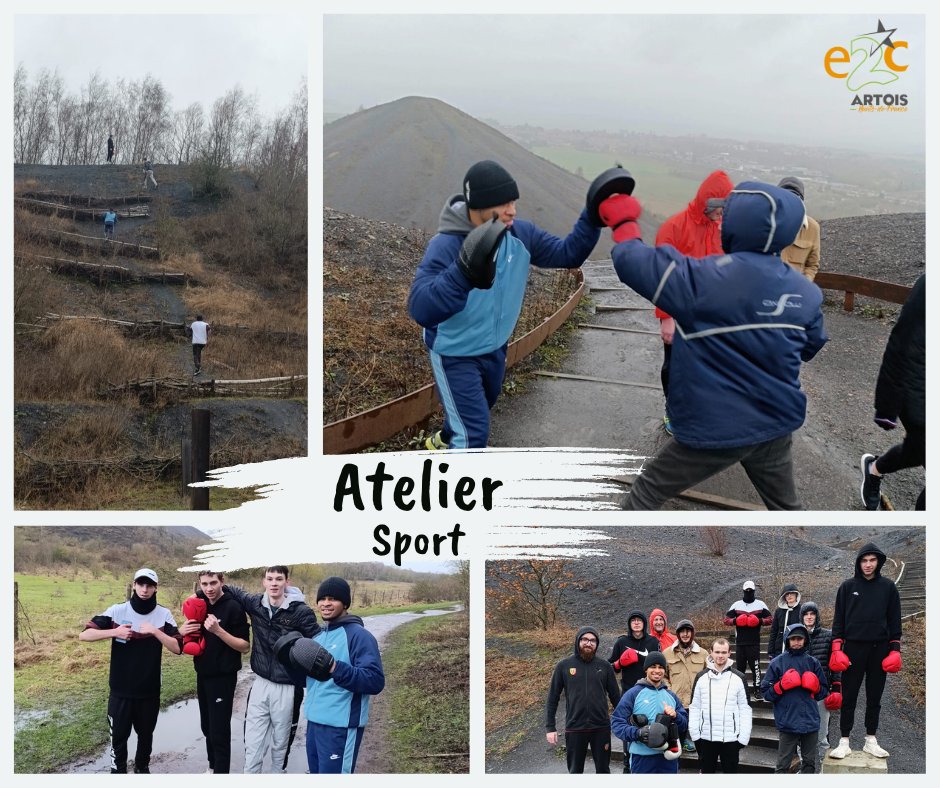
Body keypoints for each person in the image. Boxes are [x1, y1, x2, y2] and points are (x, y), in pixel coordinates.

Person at [598, 182, 828, 511]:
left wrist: (623, 222)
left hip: (715, 427)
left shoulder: (701, 279)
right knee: (786, 509)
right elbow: (811, 345)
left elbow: (630, 260)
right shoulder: (806, 294)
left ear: (734, 224)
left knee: (647, 492)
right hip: (774, 423)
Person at [408, 159, 600, 449]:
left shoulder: (520, 234)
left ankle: (445, 438)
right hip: (455, 353)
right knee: (473, 436)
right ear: (478, 205)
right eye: (503, 203)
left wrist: (593, 216)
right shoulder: (446, 245)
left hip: (496, 348)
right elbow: (420, 308)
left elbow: (567, 254)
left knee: (478, 408)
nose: (512, 210)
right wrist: (462, 274)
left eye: (513, 201)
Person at [653, 170, 734, 435]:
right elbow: (661, 275)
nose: (722, 215)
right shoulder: (674, 228)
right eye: (719, 208)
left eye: (725, 209)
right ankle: (673, 410)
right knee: (675, 367)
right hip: (679, 313)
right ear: (707, 203)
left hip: (711, 316)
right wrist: (665, 317)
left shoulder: (724, 230)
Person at [78, 568, 182, 774]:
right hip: (120, 692)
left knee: (145, 738)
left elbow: (178, 647)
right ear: (134, 585)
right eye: (141, 584)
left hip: (149, 692)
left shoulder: (164, 614)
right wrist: (114, 632)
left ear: (155, 588)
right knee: (118, 740)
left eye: (149, 585)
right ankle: (119, 773)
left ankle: (142, 770)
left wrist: (155, 631)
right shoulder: (117, 611)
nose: (144, 589)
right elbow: (85, 635)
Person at [222, 566, 320, 773]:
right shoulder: (256, 604)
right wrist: (201, 594)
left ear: (287, 582)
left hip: (288, 686)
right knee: (253, 739)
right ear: (264, 582)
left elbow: (318, 644)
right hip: (260, 683)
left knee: (280, 742)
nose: (274, 583)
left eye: (279, 579)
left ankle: (278, 774)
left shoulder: (301, 612)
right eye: (270, 578)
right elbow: (234, 591)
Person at [292, 577, 386, 774]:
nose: (326, 603)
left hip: (340, 728)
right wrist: (290, 663)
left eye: (333, 599)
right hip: (315, 723)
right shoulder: (319, 637)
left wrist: (335, 667)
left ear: (345, 603)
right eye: (322, 598)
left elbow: (375, 681)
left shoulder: (359, 636)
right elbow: (313, 682)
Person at [828, 543, 902, 760]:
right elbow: (838, 621)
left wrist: (895, 650)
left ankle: (871, 739)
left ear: (879, 562)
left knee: (875, 696)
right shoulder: (847, 587)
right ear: (858, 562)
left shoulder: (888, 587)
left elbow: (894, 622)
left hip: (879, 650)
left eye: (872, 560)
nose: (868, 564)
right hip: (852, 648)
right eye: (864, 560)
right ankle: (844, 741)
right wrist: (836, 648)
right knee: (848, 695)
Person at [860, 273, 925, 510]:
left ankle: (874, 469)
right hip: (919, 390)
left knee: (919, 451)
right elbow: (902, 343)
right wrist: (888, 404)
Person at [180, 571, 250, 775]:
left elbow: (245, 646)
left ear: (222, 582)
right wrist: (183, 630)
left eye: (213, 583)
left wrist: (219, 631)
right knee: (207, 727)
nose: (209, 588)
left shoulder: (233, 607)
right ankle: (212, 768)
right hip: (203, 673)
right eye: (204, 584)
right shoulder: (200, 600)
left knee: (219, 730)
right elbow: (190, 603)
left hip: (223, 676)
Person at [545, 625, 621, 773]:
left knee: (604, 771)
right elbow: (552, 698)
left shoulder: (605, 666)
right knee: (575, 771)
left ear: (596, 644)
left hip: (601, 727)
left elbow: (616, 697)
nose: (589, 643)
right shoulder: (564, 666)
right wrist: (550, 727)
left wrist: (624, 721)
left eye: (593, 640)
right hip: (575, 728)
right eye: (585, 639)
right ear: (578, 641)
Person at [761, 622, 828, 774]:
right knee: (783, 765)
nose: (796, 642)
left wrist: (816, 687)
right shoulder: (777, 662)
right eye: (793, 639)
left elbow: (823, 692)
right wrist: (781, 686)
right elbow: (765, 693)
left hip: (810, 720)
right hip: (788, 722)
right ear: (787, 640)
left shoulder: (813, 662)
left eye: (800, 638)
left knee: (809, 764)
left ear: (805, 640)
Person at [611, 652, 688, 774]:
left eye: (661, 667)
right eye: (653, 666)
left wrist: (676, 716)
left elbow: (684, 725)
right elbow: (616, 723)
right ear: (646, 669)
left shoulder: (671, 696)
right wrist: (638, 733)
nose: (657, 670)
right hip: (642, 760)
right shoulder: (633, 694)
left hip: (668, 759)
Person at [607, 610, 661, 772]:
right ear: (630, 624)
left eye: (639, 620)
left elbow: (660, 665)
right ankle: (626, 764)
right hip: (629, 692)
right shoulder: (621, 642)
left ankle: (651, 759)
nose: (636, 623)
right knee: (628, 727)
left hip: (650, 691)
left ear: (644, 624)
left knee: (650, 724)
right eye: (633, 621)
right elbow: (610, 670)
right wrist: (619, 663)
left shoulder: (652, 642)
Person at [688, 638, 752, 773]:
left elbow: (745, 709)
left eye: (724, 652)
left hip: (730, 739)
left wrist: (743, 738)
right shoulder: (701, 677)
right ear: (711, 653)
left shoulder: (739, 678)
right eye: (717, 652)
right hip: (706, 738)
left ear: (729, 653)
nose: (720, 655)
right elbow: (695, 707)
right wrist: (695, 734)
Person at [800, 601, 842, 771]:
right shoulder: (797, 637)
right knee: (801, 735)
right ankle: (804, 769)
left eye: (812, 614)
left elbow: (835, 665)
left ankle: (825, 771)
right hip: (801, 694)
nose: (809, 617)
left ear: (816, 616)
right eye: (806, 614)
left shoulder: (828, 635)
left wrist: (836, 688)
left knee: (822, 737)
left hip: (821, 693)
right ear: (802, 617)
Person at [724, 580, 773, 700]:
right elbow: (726, 620)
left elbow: (770, 619)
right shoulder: (736, 604)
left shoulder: (760, 604)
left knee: (755, 668)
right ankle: (739, 690)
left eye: (751, 591)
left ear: (754, 591)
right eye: (747, 591)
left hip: (754, 643)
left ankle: (757, 690)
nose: (749, 592)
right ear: (743, 591)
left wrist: (760, 621)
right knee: (740, 668)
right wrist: (735, 621)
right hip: (740, 643)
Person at [664, 619, 706, 752]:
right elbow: (663, 675)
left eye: (688, 631)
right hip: (676, 700)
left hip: (696, 701)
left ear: (692, 633)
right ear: (678, 634)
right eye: (682, 631)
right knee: (676, 730)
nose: (685, 634)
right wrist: (669, 691)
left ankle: (689, 740)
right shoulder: (667, 653)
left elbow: (709, 675)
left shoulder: (704, 654)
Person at [778, 177, 821, 282]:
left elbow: (812, 265)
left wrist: (804, 284)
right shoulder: (766, 221)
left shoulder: (812, 228)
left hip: (794, 290)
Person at [768, 583, 802, 659]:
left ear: (796, 595)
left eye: (792, 594)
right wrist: (771, 651)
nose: (789, 596)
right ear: (784, 597)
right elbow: (774, 631)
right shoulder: (779, 611)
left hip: (796, 649)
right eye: (787, 595)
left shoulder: (802, 610)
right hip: (779, 650)